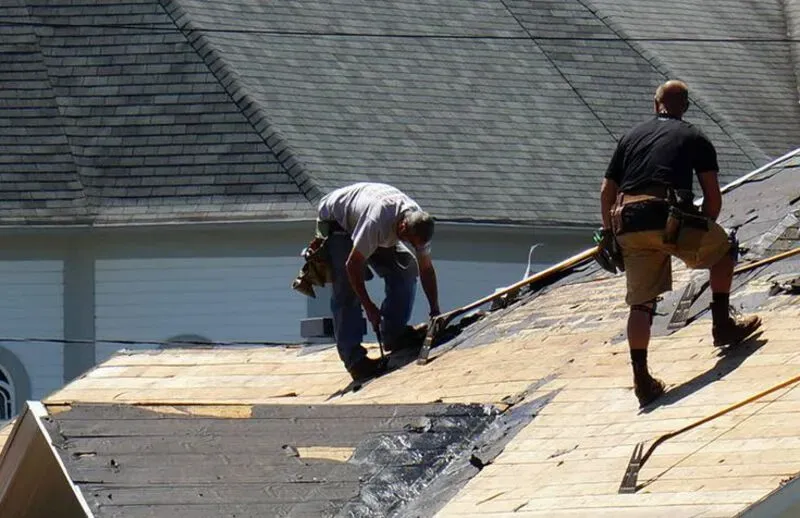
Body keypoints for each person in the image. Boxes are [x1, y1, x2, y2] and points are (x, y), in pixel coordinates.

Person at [599, 80, 761, 407]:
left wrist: (609, 234)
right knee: (725, 248)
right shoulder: (695, 137)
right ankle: (722, 326)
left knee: (641, 304)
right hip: (667, 216)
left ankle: (642, 380)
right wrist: (706, 232)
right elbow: (712, 199)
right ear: (684, 106)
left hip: (626, 221)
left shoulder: (629, 138)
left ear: (654, 103)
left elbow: (606, 193)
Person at [316, 182, 441, 381]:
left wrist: (435, 311)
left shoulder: (419, 225)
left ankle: (394, 335)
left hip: (371, 221)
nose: (411, 245)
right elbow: (352, 266)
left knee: (407, 269)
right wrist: (370, 307)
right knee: (346, 292)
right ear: (402, 227)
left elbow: (426, 269)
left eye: (414, 243)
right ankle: (355, 360)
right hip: (338, 223)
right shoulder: (377, 221)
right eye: (407, 240)